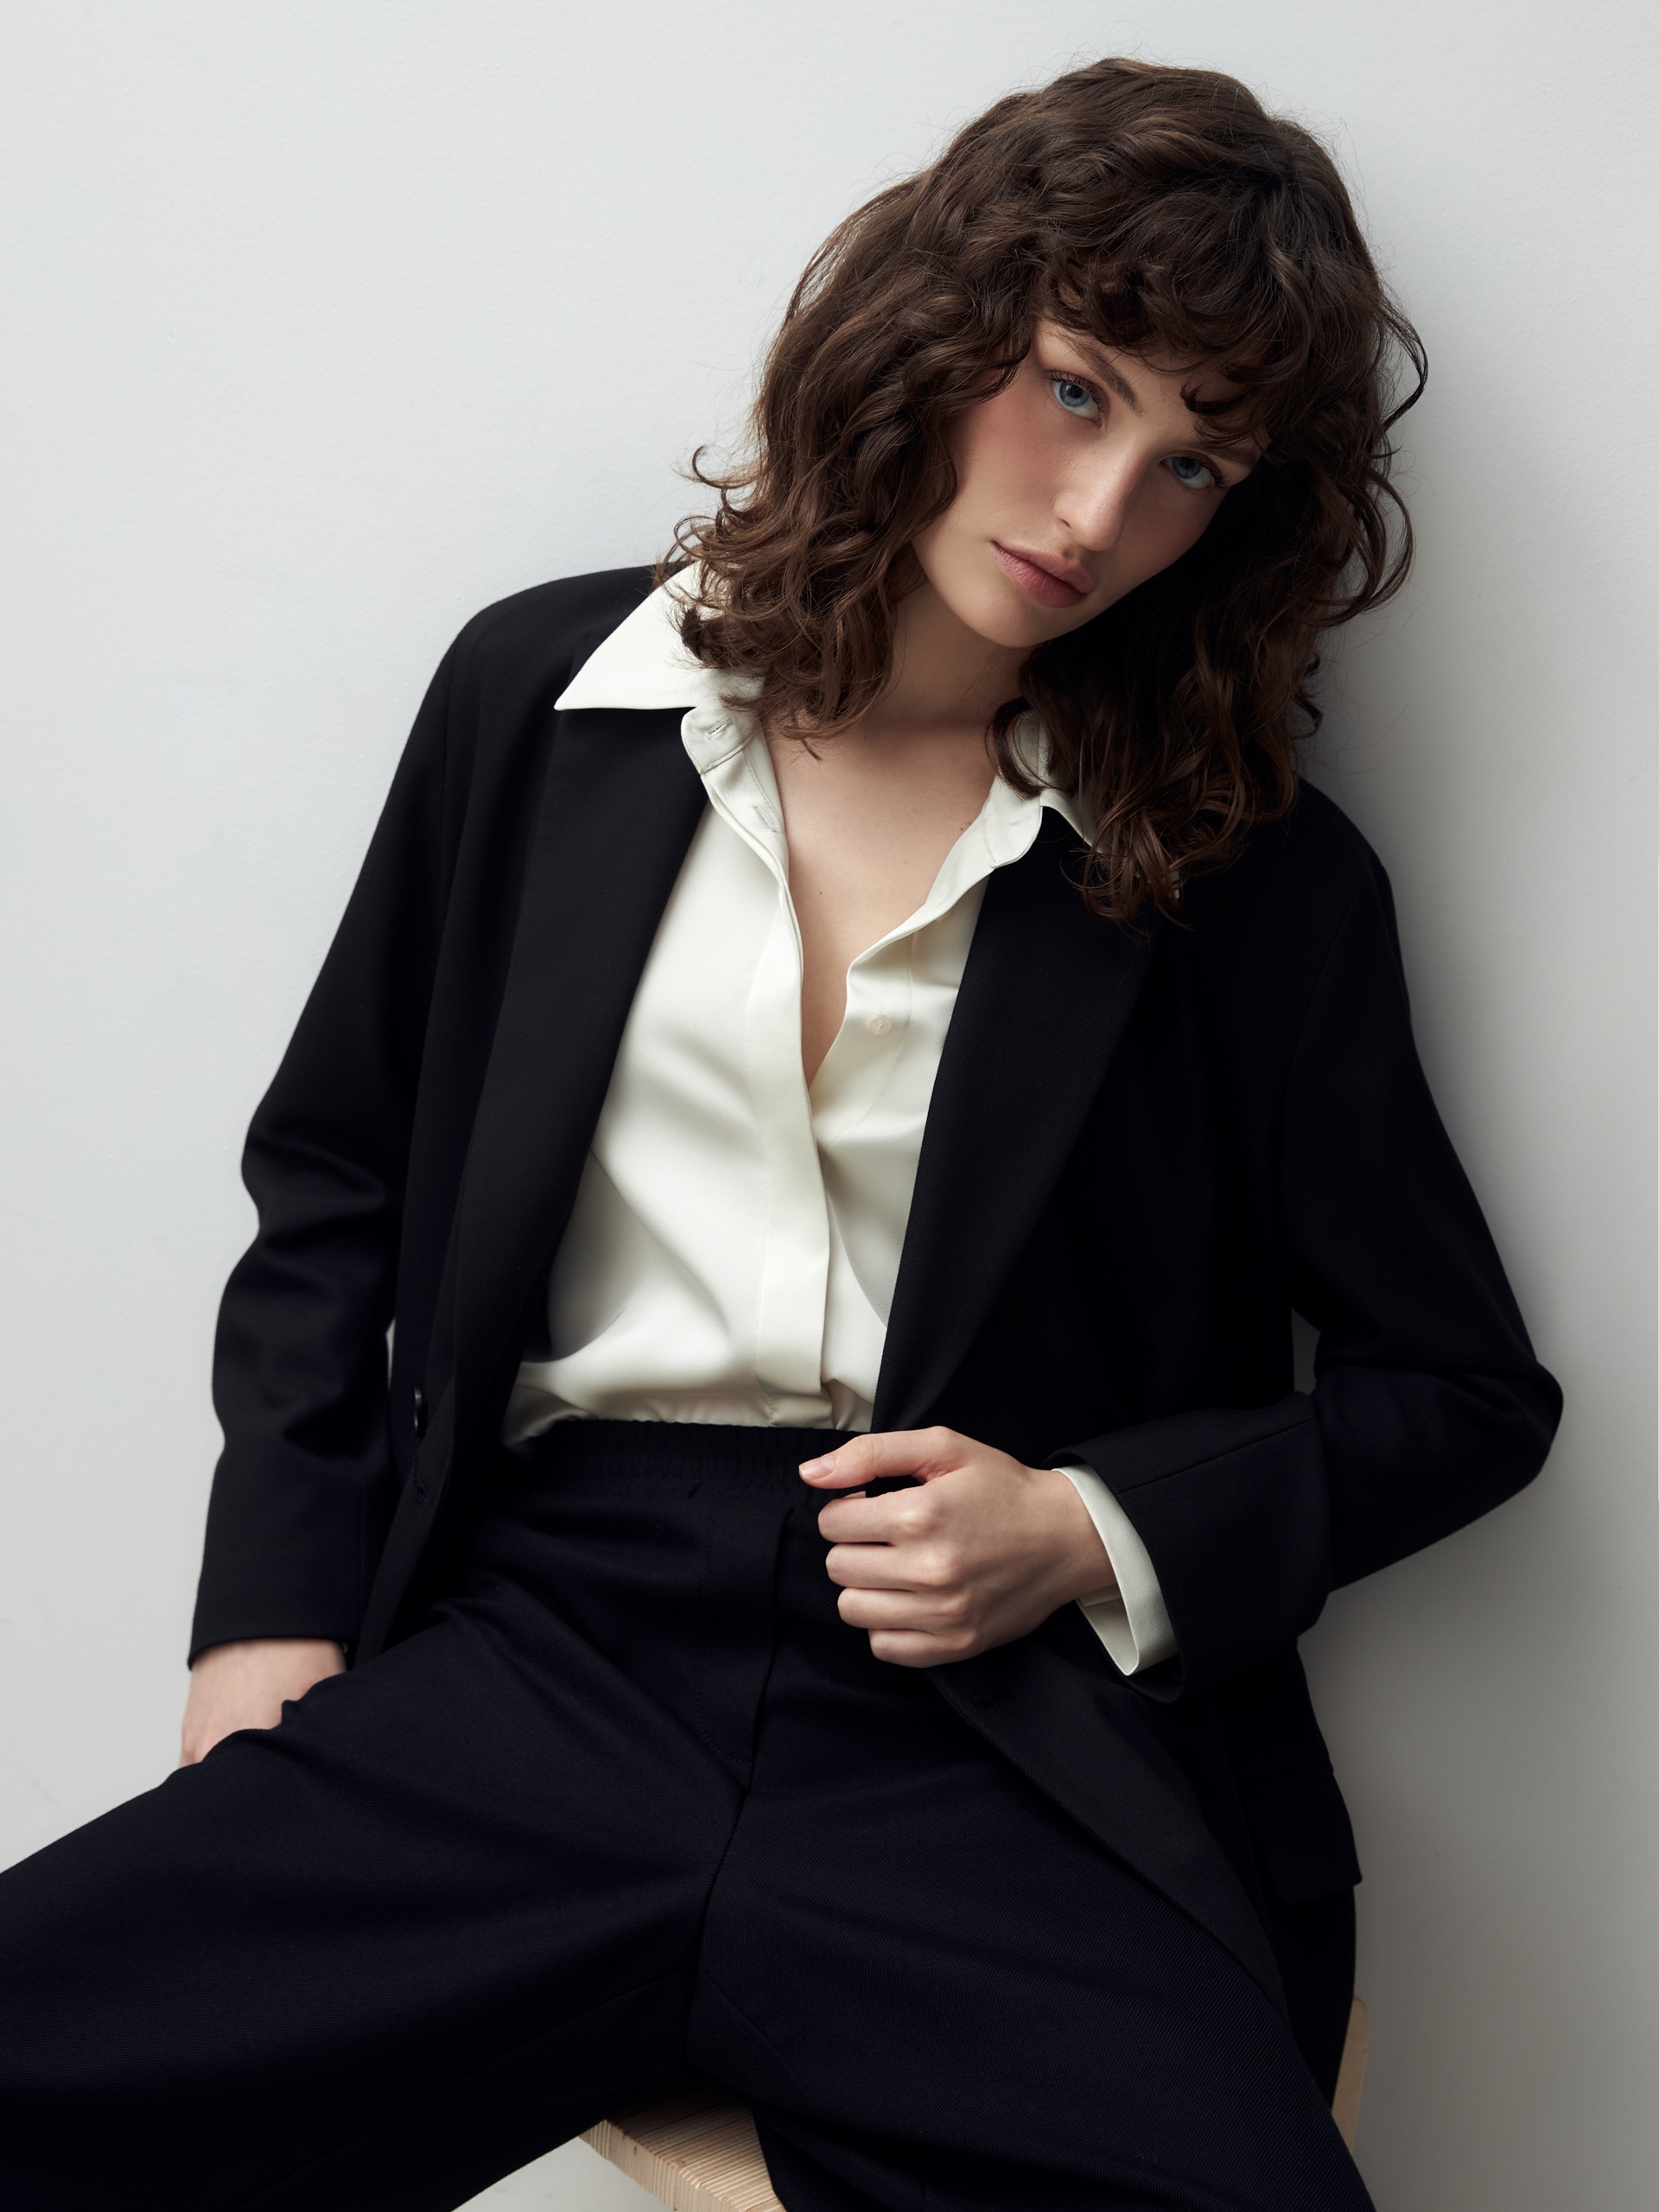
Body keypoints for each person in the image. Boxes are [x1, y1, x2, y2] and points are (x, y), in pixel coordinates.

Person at [0, 56, 1559, 2212]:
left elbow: (1461, 1391)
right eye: (1076, 389)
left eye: (1192, 464)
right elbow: (337, 1181)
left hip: (985, 1721)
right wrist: (266, 1605)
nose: (1099, 512)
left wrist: (1086, 1526)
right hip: (540, 1646)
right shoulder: (546, 706)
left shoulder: (1250, 877)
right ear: (938, 322)